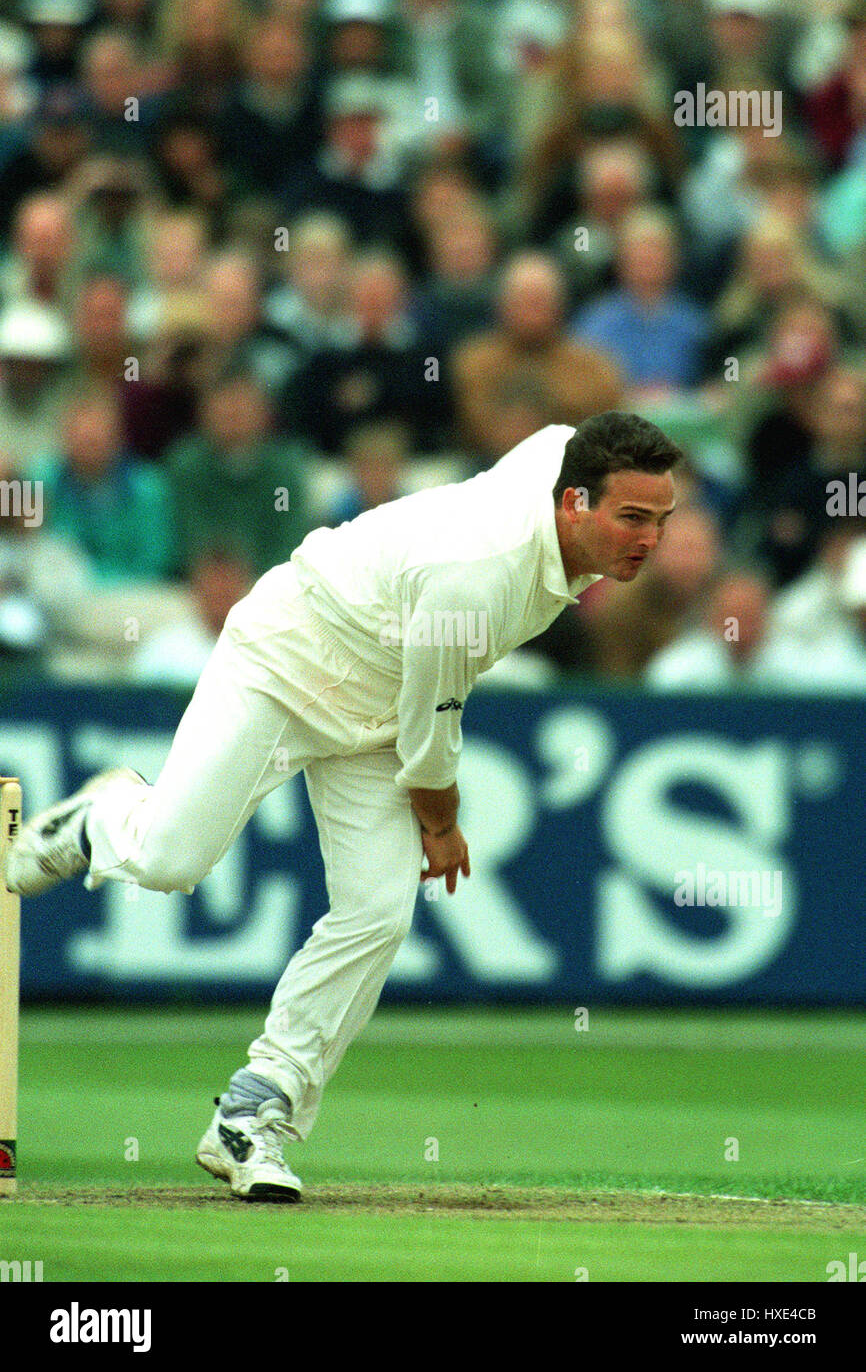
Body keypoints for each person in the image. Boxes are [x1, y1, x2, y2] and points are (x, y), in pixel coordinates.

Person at [4, 410, 680, 1202]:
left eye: (662, 521)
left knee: (378, 912)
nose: (648, 540)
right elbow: (432, 740)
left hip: (379, 703)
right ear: (574, 503)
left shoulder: (561, 463)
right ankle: (100, 816)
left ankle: (255, 1111)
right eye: (632, 518)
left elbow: (563, 428)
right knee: (168, 861)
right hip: (289, 656)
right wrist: (443, 824)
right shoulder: (480, 575)